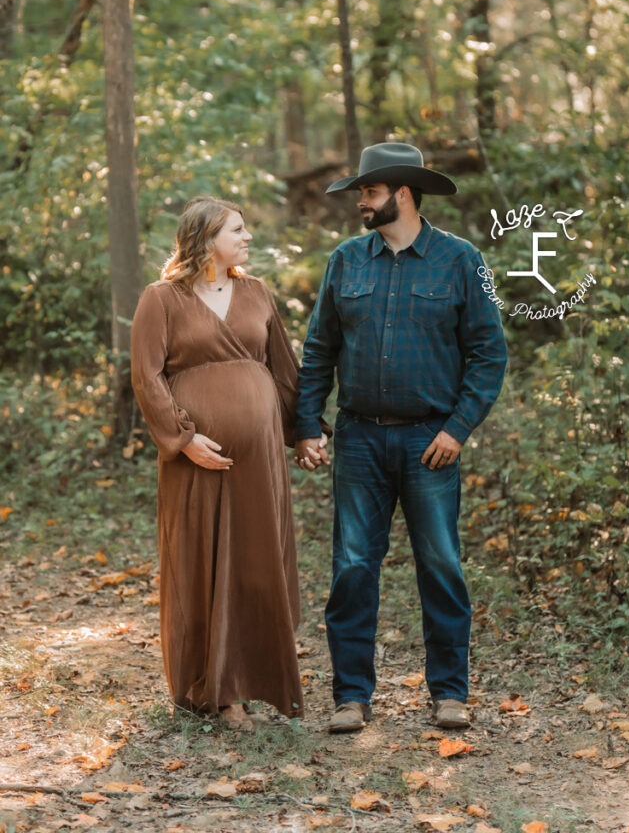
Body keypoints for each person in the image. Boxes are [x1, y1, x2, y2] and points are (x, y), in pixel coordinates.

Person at [294, 142, 507, 734]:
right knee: (353, 566)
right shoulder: (345, 261)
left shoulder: (463, 261)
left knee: (440, 565)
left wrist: (457, 429)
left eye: (369, 191)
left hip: (429, 444)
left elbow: (490, 355)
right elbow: (319, 350)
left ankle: (450, 695)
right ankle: (352, 697)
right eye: (361, 191)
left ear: (403, 194)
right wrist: (307, 424)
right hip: (359, 441)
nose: (361, 201)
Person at [131, 195, 308, 729]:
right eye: (237, 229)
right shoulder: (161, 299)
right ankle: (221, 690)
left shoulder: (256, 293)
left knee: (257, 561)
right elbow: (147, 376)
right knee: (204, 562)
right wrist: (184, 439)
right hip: (196, 460)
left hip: (258, 462)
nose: (247, 237)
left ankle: (263, 679)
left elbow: (283, 367)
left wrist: (304, 432)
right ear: (207, 238)